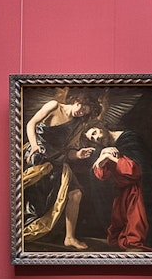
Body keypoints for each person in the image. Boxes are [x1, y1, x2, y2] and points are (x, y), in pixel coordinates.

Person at [22, 90, 101, 250]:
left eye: (85, 111)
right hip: (38, 155)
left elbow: (68, 153)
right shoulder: (54, 105)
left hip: (57, 160)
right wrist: (35, 145)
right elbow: (31, 124)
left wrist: (78, 154)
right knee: (32, 199)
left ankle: (69, 238)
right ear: (78, 99)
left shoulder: (77, 124)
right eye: (82, 106)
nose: (81, 111)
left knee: (76, 193)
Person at [83, 123, 152, 251]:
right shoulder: (105, 149)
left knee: (136, 235)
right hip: (123, 195)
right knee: (119, 235)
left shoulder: (129, 139)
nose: (96, 138)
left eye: (94, 133)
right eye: (92, 139)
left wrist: (110, 157)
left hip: (139, 192)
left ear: (101, 127)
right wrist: (102, 158)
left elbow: (137, 170)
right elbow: (101, 175)